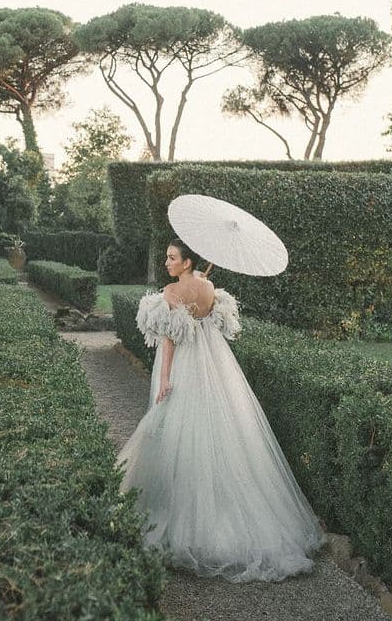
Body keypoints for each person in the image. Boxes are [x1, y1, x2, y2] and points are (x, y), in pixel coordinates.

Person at [116, 238, 326, 582]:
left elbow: (170, 340)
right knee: (223, 431)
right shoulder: (209, 286)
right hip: (215, 366)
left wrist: (165, 379)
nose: (167, 262)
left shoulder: (171, 291)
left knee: (179, 432)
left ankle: (186, 521)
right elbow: (209, 324)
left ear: (186, 263)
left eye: (172, 258)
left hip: (185, 366)